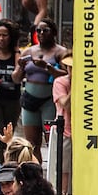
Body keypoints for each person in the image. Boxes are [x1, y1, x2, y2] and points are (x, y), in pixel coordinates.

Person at [17, 18, 69, 152]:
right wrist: (21, 67)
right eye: (38, 31)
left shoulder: (60, 52)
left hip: (48, 101)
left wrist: (47, 67)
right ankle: (35, 170)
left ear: (54, 33)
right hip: (30, 99)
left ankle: (52, 171)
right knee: (31, 144)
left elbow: (67, 75)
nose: (41, 33)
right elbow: (16, 78)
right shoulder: (28, 52)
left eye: (45, 31)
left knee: (51, 140)